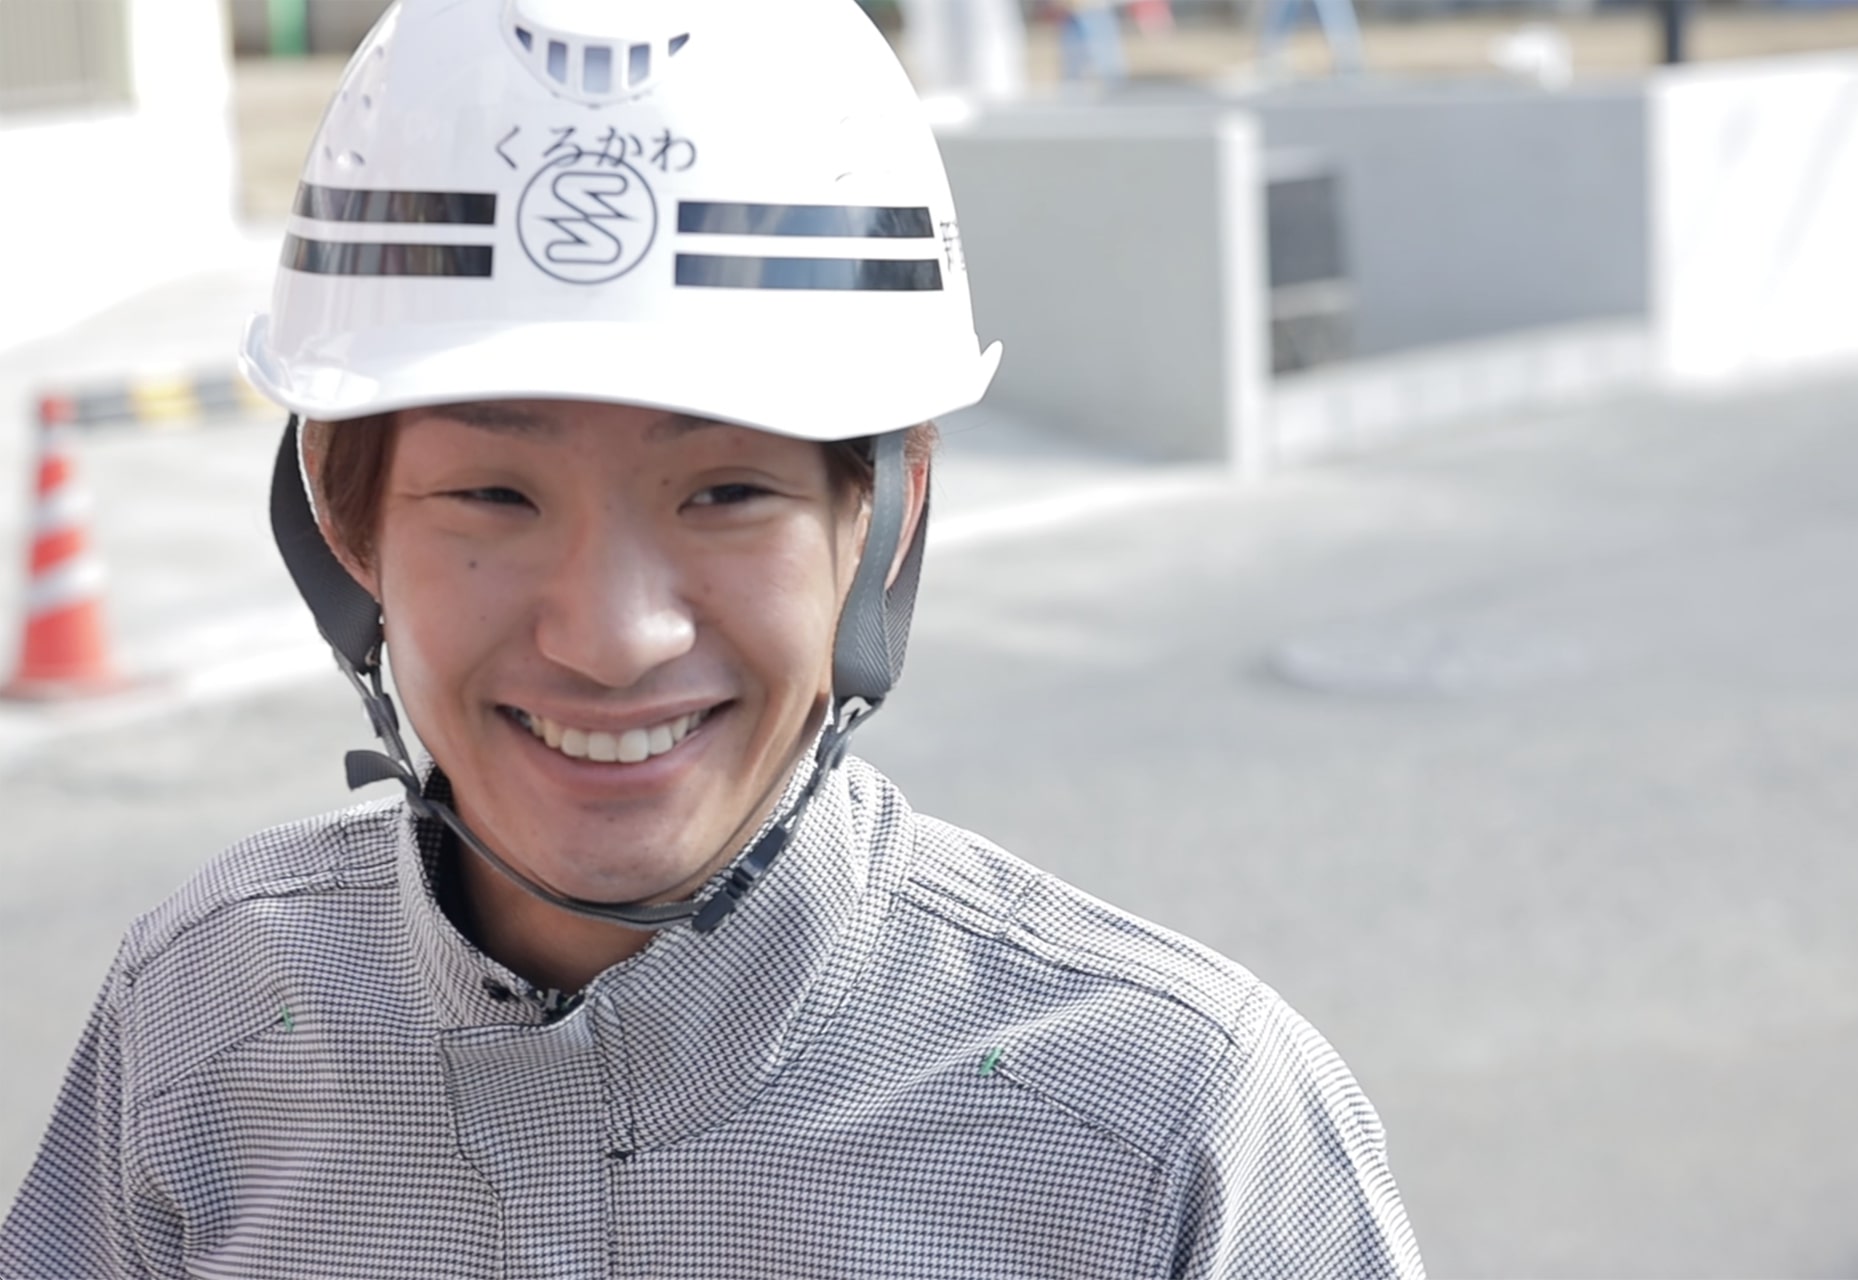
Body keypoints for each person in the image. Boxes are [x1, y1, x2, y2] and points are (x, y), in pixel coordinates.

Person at [0, 1, 1424, 1275]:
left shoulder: (1173, 1142)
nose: (612, 639)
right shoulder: (202, 1022)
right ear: (344, 517)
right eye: (495, 495)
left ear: (885, 514)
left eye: (728, 492)